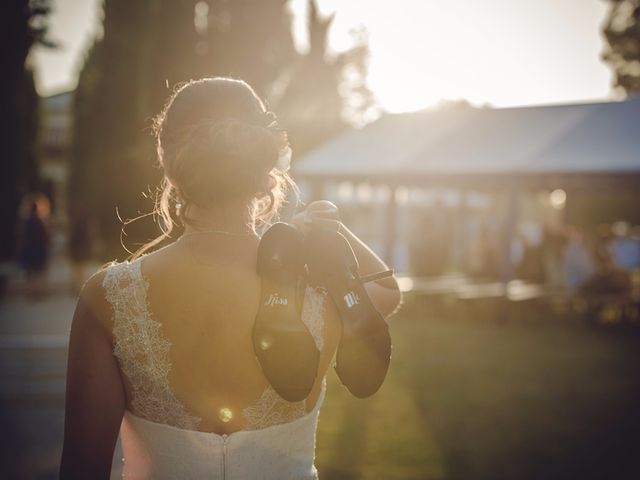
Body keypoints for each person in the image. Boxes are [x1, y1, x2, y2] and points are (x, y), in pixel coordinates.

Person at [59, 77, 401, 479]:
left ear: (169, 163)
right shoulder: (317, 287)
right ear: (266, 163)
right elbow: (386, 292)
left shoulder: (109, 297)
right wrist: (325, 222)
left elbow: (81, 471)